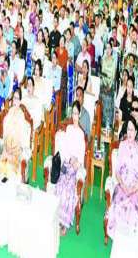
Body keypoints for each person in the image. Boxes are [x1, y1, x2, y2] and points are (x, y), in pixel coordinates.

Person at [106, 118, 138, 240]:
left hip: (134, 189)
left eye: (132, 130)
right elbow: (117, 171)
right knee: (118, 205)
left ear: (136, 132)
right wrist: (123, 186)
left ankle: (128, 240)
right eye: (128, 129)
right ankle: (118, 238)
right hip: (122, 185)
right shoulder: (122, 146)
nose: (130, 133)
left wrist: (133, 189)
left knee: (132, 208)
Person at [54, 101, 86, 236]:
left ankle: (64, 223)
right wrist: (68, 160)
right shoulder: (68, 129)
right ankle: (57, 219)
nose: (74, 116)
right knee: (59, 185)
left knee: (69, 190)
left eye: (76, 114)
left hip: (75, 167)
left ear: (80, 115)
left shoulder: (81, 134)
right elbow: (65, 149)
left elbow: (81, 158)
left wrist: (75, 161)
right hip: (66, 164)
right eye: (73, 113)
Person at [0, 87, 30, 182]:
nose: (15, 100)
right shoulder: (10, 111)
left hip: (16, 149)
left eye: (17, 98)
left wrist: (13, 147)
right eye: (14, 98)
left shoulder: (21, 114)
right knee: (0, 165)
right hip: (7, 147)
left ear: (20, 101)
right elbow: (5, 129)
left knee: (10, 166)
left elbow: (21, 134)